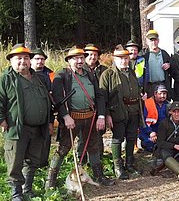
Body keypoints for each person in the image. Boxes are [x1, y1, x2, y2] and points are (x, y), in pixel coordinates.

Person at [46, 46, 114, 189]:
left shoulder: (90, 74)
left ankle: (99, 176)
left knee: (94, 147)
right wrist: (65, 116)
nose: (79, 61)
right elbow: (57, 98)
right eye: (76, 58)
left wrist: (101, 116)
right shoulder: (62, 75)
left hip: (90, 117)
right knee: (64, 148)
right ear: (69, 60)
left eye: (82, 58)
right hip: (72, 119)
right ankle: (50, 181)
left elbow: (99, 96)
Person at [0, 44, 52, 201]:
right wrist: (2, 120)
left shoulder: (38, 77)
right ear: (11, 61)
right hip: (17, 128)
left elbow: (48, 101)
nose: (23, 61)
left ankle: (27, 189)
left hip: (37, 128)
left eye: (26, 58)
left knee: (32, 160)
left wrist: (49, 121)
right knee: (15, 162)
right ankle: (16, 195)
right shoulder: (6, 78)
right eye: (18, 58)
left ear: (30, 61)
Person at [100, 45, 141, 179]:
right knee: (118, 138)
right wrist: (106, 114)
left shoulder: (132, 72)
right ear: (114, 59)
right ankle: (118, 167)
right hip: (118, 111)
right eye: (120, 58)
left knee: (131, 137)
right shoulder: (108, 74)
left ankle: (129, 163)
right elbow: (102, 97)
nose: (124, 61)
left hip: (134, 109)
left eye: (125, 58)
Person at [30, 48, 55, 168]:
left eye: (42, 59)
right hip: (31, 114)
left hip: (47, 112)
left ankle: (43, 164)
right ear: (31, 60)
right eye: (37, 59)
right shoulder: (26, 74)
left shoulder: (50, 74)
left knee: (46, 139)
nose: (40, 61)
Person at [139, 84, 170, 152]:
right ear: (155, 94)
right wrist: (150, 132)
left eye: (164, 93)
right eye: (160, 93)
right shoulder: (147, 104)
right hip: (150, 131)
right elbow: (143, 122)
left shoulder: (168, 105)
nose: (162, 96)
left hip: (163, 132)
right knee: (149, 144)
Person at [142, 30, 172, 97]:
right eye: (151, 40)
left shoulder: (164, 53)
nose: (153, 42)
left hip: (163, 85)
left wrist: (169, 65)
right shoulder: (144, 55)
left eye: (155, 40)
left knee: (163, 106)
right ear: (147, 41)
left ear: (158, 40)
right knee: (150, 106)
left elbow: (173, 68)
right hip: (149, 87)